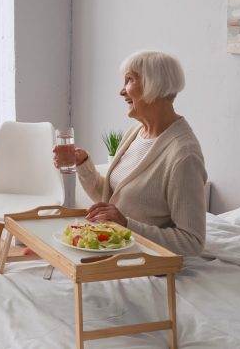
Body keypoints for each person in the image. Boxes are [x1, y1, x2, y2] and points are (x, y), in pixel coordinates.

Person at [56, 51, 207, 256]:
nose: (122, 91)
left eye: (129, 80)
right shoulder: (136, 132)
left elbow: (192, 243)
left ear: (154, 85)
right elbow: (113, 200)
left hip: (143, 261)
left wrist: (126, 225)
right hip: (113, 250)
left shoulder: (184, 155)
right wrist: (82, 163)